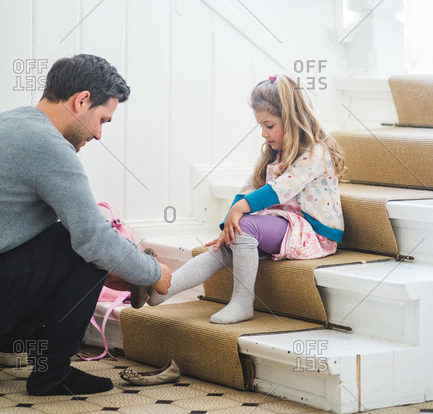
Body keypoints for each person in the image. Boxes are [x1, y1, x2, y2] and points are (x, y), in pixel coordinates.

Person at [0, 54, 171, 396]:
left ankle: (26, 348)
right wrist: (155, 273)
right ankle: (53, 375)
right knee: (86, 246)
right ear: (81, 101)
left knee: (75, 242)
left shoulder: (12, 123)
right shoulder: (47, 146)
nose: (98, 134)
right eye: (102, 119)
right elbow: (93, 239)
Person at [149, 74, 345, 324]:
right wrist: (228, 223)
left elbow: (281, 189)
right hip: (284, 224)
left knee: (244, 227)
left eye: (269, 125)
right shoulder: (274, 153)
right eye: (260, 126)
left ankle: (242, 304)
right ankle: (163, 290)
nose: (263, 133)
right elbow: (248, 188)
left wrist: (240, 213)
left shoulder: (315, 152)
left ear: (292, 118)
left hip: (314, 232)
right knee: (227, 244)